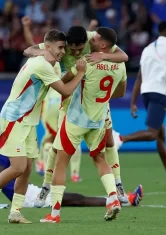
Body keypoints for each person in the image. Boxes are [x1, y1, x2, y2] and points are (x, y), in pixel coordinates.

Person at [0, 29, 87, 225]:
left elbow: (29, 50)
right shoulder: (42, 65)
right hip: (15, 119)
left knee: (27, 168)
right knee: (18, 166)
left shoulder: (47, 61)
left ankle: (15, 212)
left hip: (29, 120)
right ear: (48, 47)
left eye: (64, 48)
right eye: (60, 47)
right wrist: (80, 73)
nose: (63, 51)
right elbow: (64, 90)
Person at [40, 27, 142, 224]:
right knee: (100, 158)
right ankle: (113, 198)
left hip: (77, 119)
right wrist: (97, 98)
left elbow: (63, 82)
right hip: (99, 119)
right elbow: (120, 93)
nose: (91, 40)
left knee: (61, 161)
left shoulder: (86, 61)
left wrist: (77, 74)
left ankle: (54, 213)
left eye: (95, 39)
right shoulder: (119, 66)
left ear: (102, 44)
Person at [24, 25, 130, 206]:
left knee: (109, 142)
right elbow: (29, 50)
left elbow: (124, 56)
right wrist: (46, 53)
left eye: (80, 49)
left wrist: (104, 56)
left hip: (95, 101)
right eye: (72, 50)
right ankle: (45, 188)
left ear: (88, 43)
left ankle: (118, 186)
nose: (76, 53)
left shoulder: (93, 39)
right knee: (58, 147)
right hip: (70, 100)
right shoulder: (61, 45)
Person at [117, 21, 166, 191]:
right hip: (159, 93)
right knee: (153, 134)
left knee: (161, 136)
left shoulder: (148, 49)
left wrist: (132, 102)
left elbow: (139, 77)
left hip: (146, 92)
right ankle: (120, 139)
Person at [0, 150, 141, 209]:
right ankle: (126, 200)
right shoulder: (1, 152)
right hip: (27, 199)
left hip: (28, 192)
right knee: (76, 199)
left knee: (74, 198)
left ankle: (120, 200)